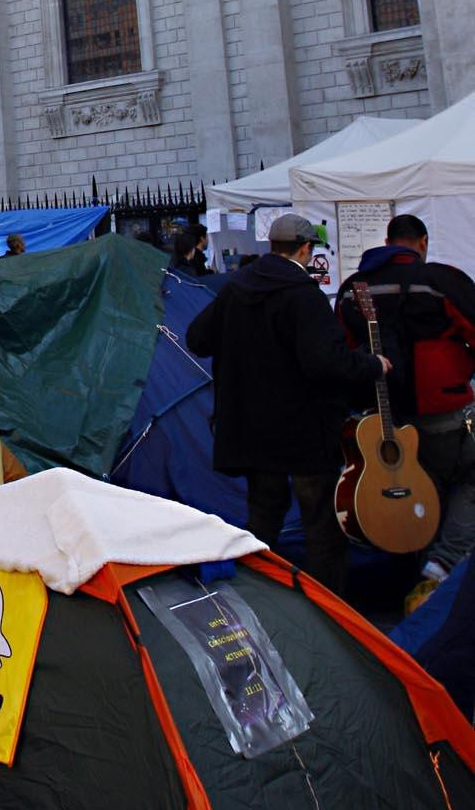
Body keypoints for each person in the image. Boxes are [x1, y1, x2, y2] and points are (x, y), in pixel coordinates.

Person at [185, 210, 388, 596]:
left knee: (263, 518)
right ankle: (327, 607)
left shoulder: (237, 287)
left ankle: (260, 597)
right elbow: (324, 361)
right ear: (306, 249)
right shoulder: (303, 294)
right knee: (321, 523)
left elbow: (197, 338)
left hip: (252, 429)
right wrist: (371, 364)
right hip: (304, 431)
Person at [335, 213, 475, 599]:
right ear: (423, 243)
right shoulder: (440, 281)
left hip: (383, 423)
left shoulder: (351, 289)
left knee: (405, 487)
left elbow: (344, 355)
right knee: (468, 477)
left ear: (387, 240)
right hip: (442, 412)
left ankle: (406, 575)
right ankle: (442, 564)